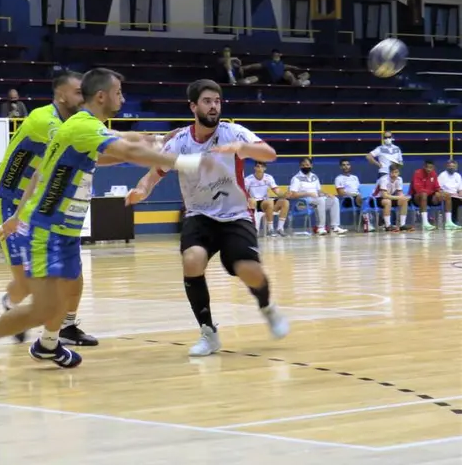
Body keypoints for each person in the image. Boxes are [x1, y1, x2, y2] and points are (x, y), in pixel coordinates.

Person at [0, 68, 206, 381]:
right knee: (44, 308)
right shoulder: (81, 126)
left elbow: (98, 159)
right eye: (119, 93)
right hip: (45, 229)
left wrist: (155, 144)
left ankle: (48, 345)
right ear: (102, 96)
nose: (124, 98)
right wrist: (188, 162)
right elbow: (127, 150)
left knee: (70, 292)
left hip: (65, 229)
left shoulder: (84, 130)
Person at [125, 79, 289, 357]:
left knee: (250, 270)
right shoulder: (179, 141)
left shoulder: (233, 132)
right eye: (207, 101)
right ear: (193, 106)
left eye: (217, 101)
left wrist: (241, 148)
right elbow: (154, 173)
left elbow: (270, 154)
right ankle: (208, 332)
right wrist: (141, 190)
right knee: (192, 260)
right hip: (199, 214)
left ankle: (267, 307)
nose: (214, 106)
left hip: (236, 215)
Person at [0, 71, 99, 346]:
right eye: (77, 92)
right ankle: (10, 302)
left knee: (72, 270)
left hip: (41, 200)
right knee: (27, 281)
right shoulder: (43, 119)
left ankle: (68, 325)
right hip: (11, 197)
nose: (82, 97)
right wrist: (146, 146)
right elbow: (85, 148)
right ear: (61, 95)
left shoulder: (77, 122)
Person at [287, 158, 347, 235]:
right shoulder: (296, 178)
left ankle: (335, 226)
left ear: (311, 166)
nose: (305, 167)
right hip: (302, 203)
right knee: (320, 200)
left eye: (307, 165)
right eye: (303, 165)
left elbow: (319, 191)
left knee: (334, 199)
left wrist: (326, 194)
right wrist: (308, 194)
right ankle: (321, 227)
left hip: (315, 201)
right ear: (300, 166)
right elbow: (293, 194)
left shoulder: (314, 176)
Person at [244, 161, 288, 236]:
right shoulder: (248, 179)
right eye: (258, 166)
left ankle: (280, 229)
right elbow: (244, 192)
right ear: (254, 168)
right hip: (256, 203)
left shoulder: (268, 177)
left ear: (265, 168)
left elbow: (276, 190)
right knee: (269, 202)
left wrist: (284, 195)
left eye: (262, 167)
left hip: (267, 202)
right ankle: (270, 229)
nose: (260, 168)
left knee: (285, 202)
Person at [374, 164, 412, 232]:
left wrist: (403, 197)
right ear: (389, 172)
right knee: (387, 201)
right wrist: (399, 197)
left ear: (399, 172)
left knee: (403, 201)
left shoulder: (399, 179)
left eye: (396, 172)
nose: (394, 174)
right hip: (376, 199)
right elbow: (384, 195)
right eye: (392, 172)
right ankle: (388, 226)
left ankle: (402, 225)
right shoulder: (384, 179)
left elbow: (399, 193)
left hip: (390, 197)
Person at [409, 160, 444, 230]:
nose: (429, 169)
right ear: (424, 166)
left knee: (446, 195)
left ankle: (448, 222)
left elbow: (437, 186)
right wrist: (433, 192)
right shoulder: (417, 173)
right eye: (427, 167)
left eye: (431, 167)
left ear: (433, 168)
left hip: (429, 196)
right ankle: (425, 223)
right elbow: (418, 189)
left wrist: (439, 192)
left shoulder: (434, 174)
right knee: (424, 195)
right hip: (417, 197)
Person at [438, 160, 462, 228]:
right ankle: (453, 221)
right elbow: (439, 188)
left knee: (457, 199)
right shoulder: (442, 175)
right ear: (447, 167)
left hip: (456, 195)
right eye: (450, 166)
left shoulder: (458, 175)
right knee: (454, 201)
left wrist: (460, 194)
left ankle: (456, 221)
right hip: (446, 195)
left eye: (453, 166)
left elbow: (460, 189)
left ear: (456, 167)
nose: (451, 168)